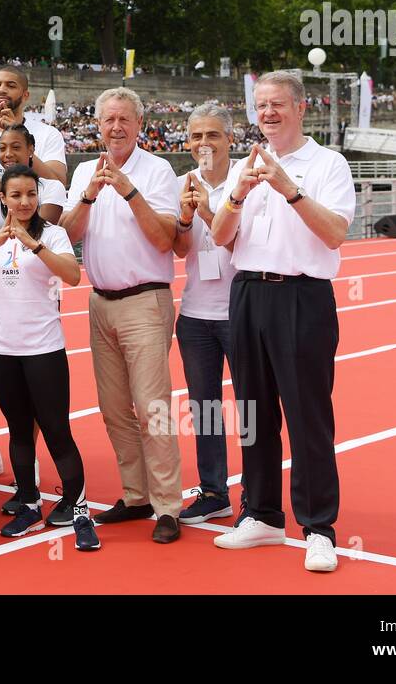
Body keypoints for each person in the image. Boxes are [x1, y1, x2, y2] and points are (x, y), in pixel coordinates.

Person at [209, 71, 355, 573]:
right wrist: (237, 194)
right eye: (261, 105)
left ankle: (318, 527)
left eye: (277, 104)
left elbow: (335, 233)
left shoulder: (327, 164)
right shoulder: (246, 165)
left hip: (302, 296)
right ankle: (263, 514)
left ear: (300, 108)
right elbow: (221, 237)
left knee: (307, 415)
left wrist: (290, 190)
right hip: (248, 291)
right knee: (252, 413)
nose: (267, 113)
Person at [61, 87, 184, 544]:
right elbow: (70, 235)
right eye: (109, 120)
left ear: (139, 123)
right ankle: (137, 496)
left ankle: (168, 505)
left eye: (124, 120)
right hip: (100, 302)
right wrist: (89, 195)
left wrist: (128, 191)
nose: (116, 128)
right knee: (114, 410)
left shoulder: (158, 170)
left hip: (144, 300)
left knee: (152, 408)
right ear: (98, 124)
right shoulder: (84, 171)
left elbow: (164, 239)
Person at [0, 166, 99, 551]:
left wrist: (33, 244)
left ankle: (79, 507)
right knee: (19, 430)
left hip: (43, 348)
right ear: (3, 197)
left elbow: (72, 275)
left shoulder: (53, 234)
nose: (24, 202)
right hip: (1, 347)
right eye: (16, 195)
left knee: (55, 429)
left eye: (30, 195)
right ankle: (28, 501)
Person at [171, 103, 238, 525]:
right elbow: (179, 249)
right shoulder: (182, 183)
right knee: (205, 407)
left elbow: (243, 244)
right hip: (195, 313)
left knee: (254, 404)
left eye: (212, 135)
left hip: (242, 311)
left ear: (230, 139)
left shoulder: (247, 181)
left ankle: (259, 497)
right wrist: (184, 216)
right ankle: (214, 491)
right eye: (196, 136)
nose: (204, 144)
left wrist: (211, 211)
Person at [0, 67, 67, 188]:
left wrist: (18, 133)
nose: (1, 90)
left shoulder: (49, 133)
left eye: (11, 86)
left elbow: (58, 185)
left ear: (25, 95)